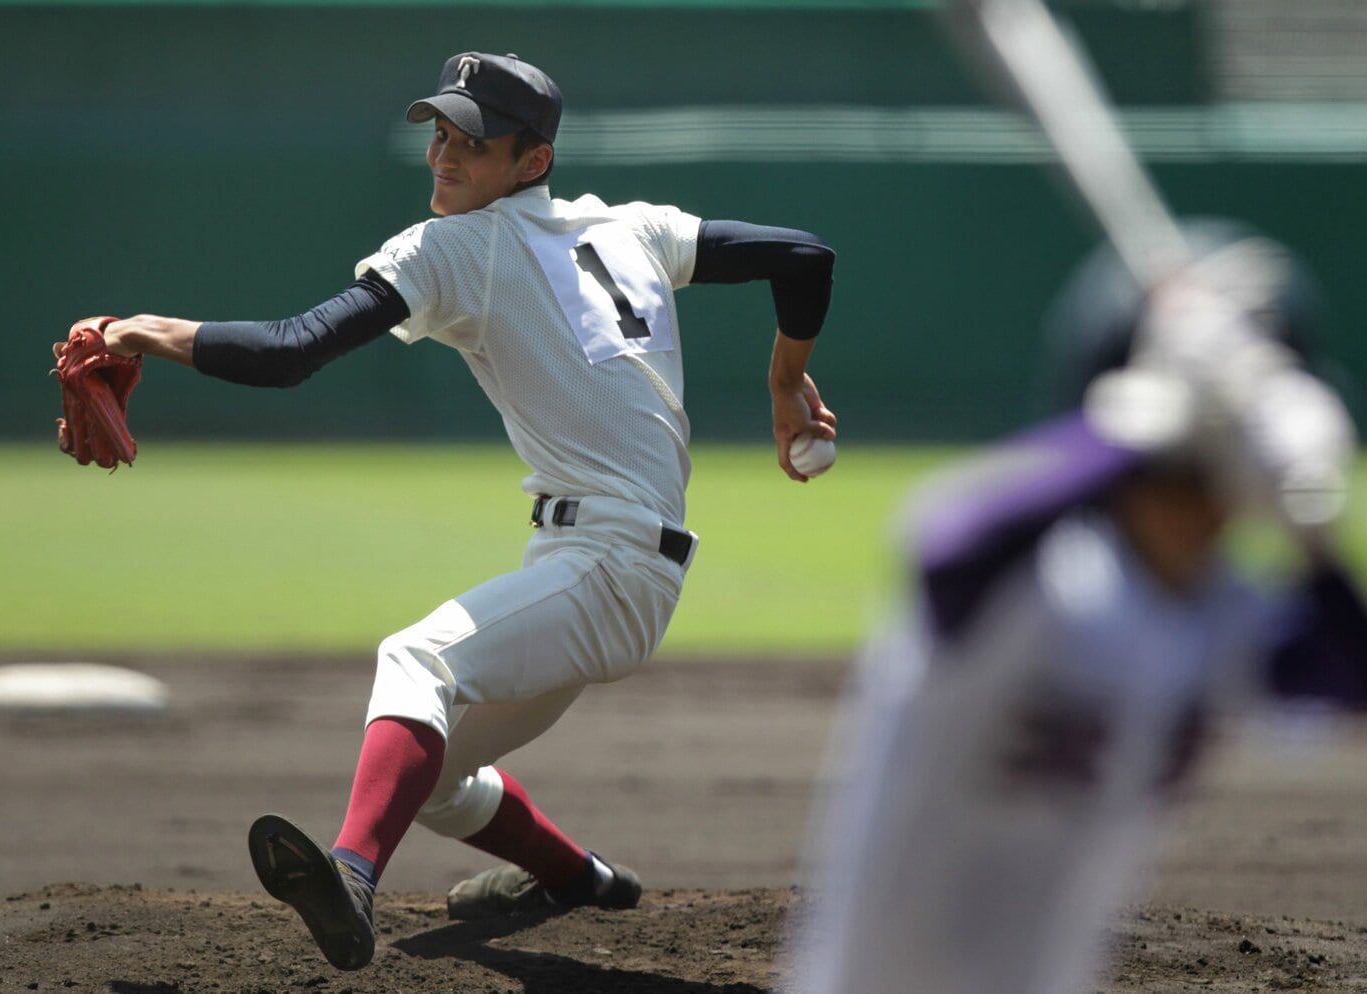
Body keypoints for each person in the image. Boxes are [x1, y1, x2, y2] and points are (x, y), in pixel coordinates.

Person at [66, 51, 838, 971]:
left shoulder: (459, 247)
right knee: (433, 777)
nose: (444, 154)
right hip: (598, 568)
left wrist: (139, 329)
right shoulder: (632, 227)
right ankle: (581, 879)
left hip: (608, 565)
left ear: (532, 161)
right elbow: (803, 257)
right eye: (439, 132)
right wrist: (786, 381)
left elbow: (291, 350)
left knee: (415, 659)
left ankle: (352, 876)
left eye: (473, 141)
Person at [787, 224, 1367, 994]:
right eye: (1193, 475)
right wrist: (1141, 423)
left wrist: (1312, 522)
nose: (1213, 507)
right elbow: (948, 538)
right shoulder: (1039, 582)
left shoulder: (1218, 616)